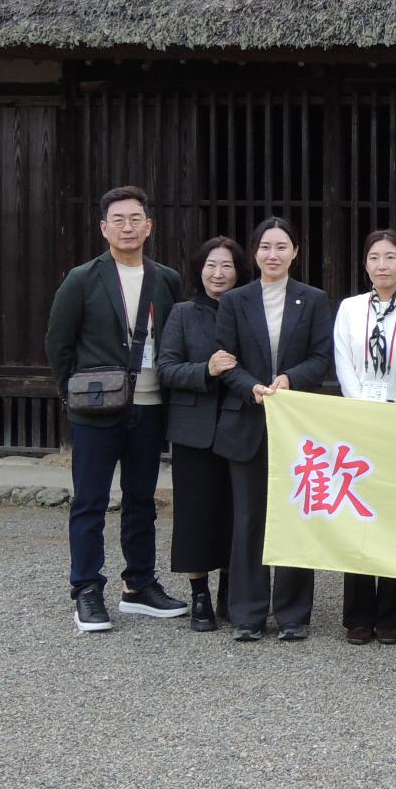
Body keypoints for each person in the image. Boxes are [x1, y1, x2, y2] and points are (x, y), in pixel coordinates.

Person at [44, 185, 188, 634]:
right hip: (96, 408)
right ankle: (86, 589)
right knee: (89, 501)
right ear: (104, 228)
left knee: (142, 499)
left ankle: (139, 585)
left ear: (150, 226)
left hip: (150, 403)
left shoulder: (165, 278)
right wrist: (74, 395)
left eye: (136, 219)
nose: (128, 227)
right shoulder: (83, 277)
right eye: (119, 220)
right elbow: (58, 344)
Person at [213, 216, 332, 644]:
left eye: (282, 246)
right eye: (265, 247)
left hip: (297, 425)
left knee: (296, 517)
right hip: (247, 421)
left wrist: (290, 378)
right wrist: (252, 387)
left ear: (295, 252)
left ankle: (293, 614)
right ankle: (247, 613)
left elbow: (321, 357)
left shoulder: (313, 299)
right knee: (248, 519)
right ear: (255, 252)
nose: (273, 254)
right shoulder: (236, 301)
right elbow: (225, 359)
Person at [331, 228, 396, 645]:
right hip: (358, 422)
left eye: (391, 257)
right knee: (358, 513)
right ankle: (357, 615)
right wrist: (362, 407)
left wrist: (395, 407)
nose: (382, 265)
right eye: (375, 257)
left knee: (394, 515)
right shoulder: (350, 308)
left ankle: (392, 616)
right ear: (365, 264)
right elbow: (342, 360)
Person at [156, 235, 246, 633]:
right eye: (211, 265)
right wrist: (204, 370)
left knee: (233, 512)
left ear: (238, 271)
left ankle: (231, 590)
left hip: (239, 424)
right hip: (193, 428)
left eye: (226, 265)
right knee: (194, 515)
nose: (218, 273)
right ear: (199, 269)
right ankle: (199, 595)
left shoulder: (248, 309)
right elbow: (166, 368)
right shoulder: (182, 313)